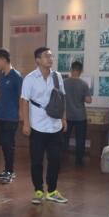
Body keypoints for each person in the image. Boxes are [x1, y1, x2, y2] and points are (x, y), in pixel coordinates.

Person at [20, 47, 68, 205]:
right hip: (37, 125)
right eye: (46, 56)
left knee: (55, 160)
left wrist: (64, 119)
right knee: (37, 160)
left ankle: (52, 191)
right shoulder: (30, 78)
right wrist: (26, 123)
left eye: (51, 56)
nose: (50, 58)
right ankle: (39, 190)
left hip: (55, 125)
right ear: (38, 60)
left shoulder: (57, 76)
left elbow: (62, 98)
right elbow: (24, 101)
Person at [0, 49, 23, 184]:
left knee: (8, 144)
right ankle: (7, 170)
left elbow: (22, 97)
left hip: (11, 117)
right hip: (1, 116)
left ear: (4, 60)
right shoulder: (2, 75)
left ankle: (10, 172)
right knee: (3, 144)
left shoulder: (16, 76)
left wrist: (21, 113)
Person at [63, 61, 92, 166]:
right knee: (80, 139)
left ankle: (62, 159)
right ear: (81, 71)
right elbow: (88, 100)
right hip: (80, 116)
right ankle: (79, 160)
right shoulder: (83, 84)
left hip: (66, 116)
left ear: (71, 69)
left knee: (64, 138)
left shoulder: (64, 82)